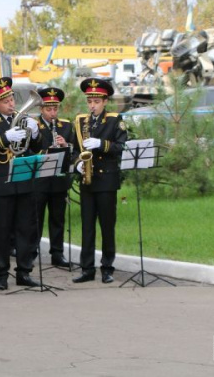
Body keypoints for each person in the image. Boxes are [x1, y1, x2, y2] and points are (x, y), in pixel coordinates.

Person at [0, 78, 42, 291]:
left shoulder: (22, 119)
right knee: (2, 230)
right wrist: (5, 138)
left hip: (23, 180)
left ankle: (24, 272)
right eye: (5, 101)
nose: (11, 104)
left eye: (12, 99)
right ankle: (2, 274)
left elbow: (38, 146)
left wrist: (36, 133)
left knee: (26, 229)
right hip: (1, 183)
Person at [72, 78, 127, 285]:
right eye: (89, 101)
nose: (92, 105)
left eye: (96, 101)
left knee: (106, 226)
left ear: (105, 101)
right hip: (88, 180)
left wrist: (101, 144)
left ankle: (107, 268)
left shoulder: (114, 120)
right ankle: (87, 268)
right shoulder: (81, 121)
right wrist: (77, 163)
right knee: (87, 226)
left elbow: (121, 147)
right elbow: (75, 149)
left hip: (106, 180)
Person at [33, 87, 76, 268]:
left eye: (55, 109)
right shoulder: (33, 125)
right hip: (39, 180)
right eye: (48, 109)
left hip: (59, 179)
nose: (52, 113)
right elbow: (28, 150)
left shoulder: (65, 126)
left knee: (58, 218)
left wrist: (65, 145)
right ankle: (31, 252)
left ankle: (57, 254)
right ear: (41, 109)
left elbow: (74, 152)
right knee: (35, 218)